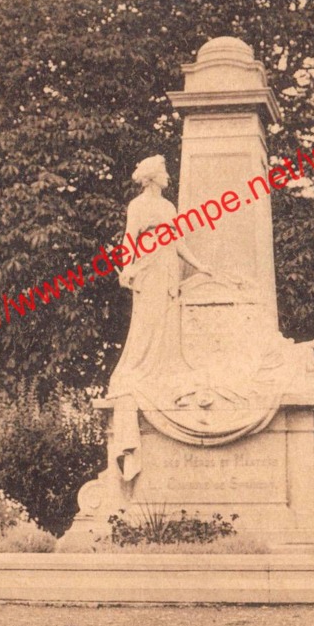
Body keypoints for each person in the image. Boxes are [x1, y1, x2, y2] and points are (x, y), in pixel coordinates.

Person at [108, 155, 211, 478]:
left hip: (168, 268)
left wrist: (199, 266)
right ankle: (143, 370)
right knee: (149, 322)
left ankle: (163, 372)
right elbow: (129, 237)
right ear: (152, 178)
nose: (169, 176)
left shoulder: (168, 208)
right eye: (164, 172)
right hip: (150, 267)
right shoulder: (139, 206)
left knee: (167, 321)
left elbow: (178, 242)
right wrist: (127, 267)